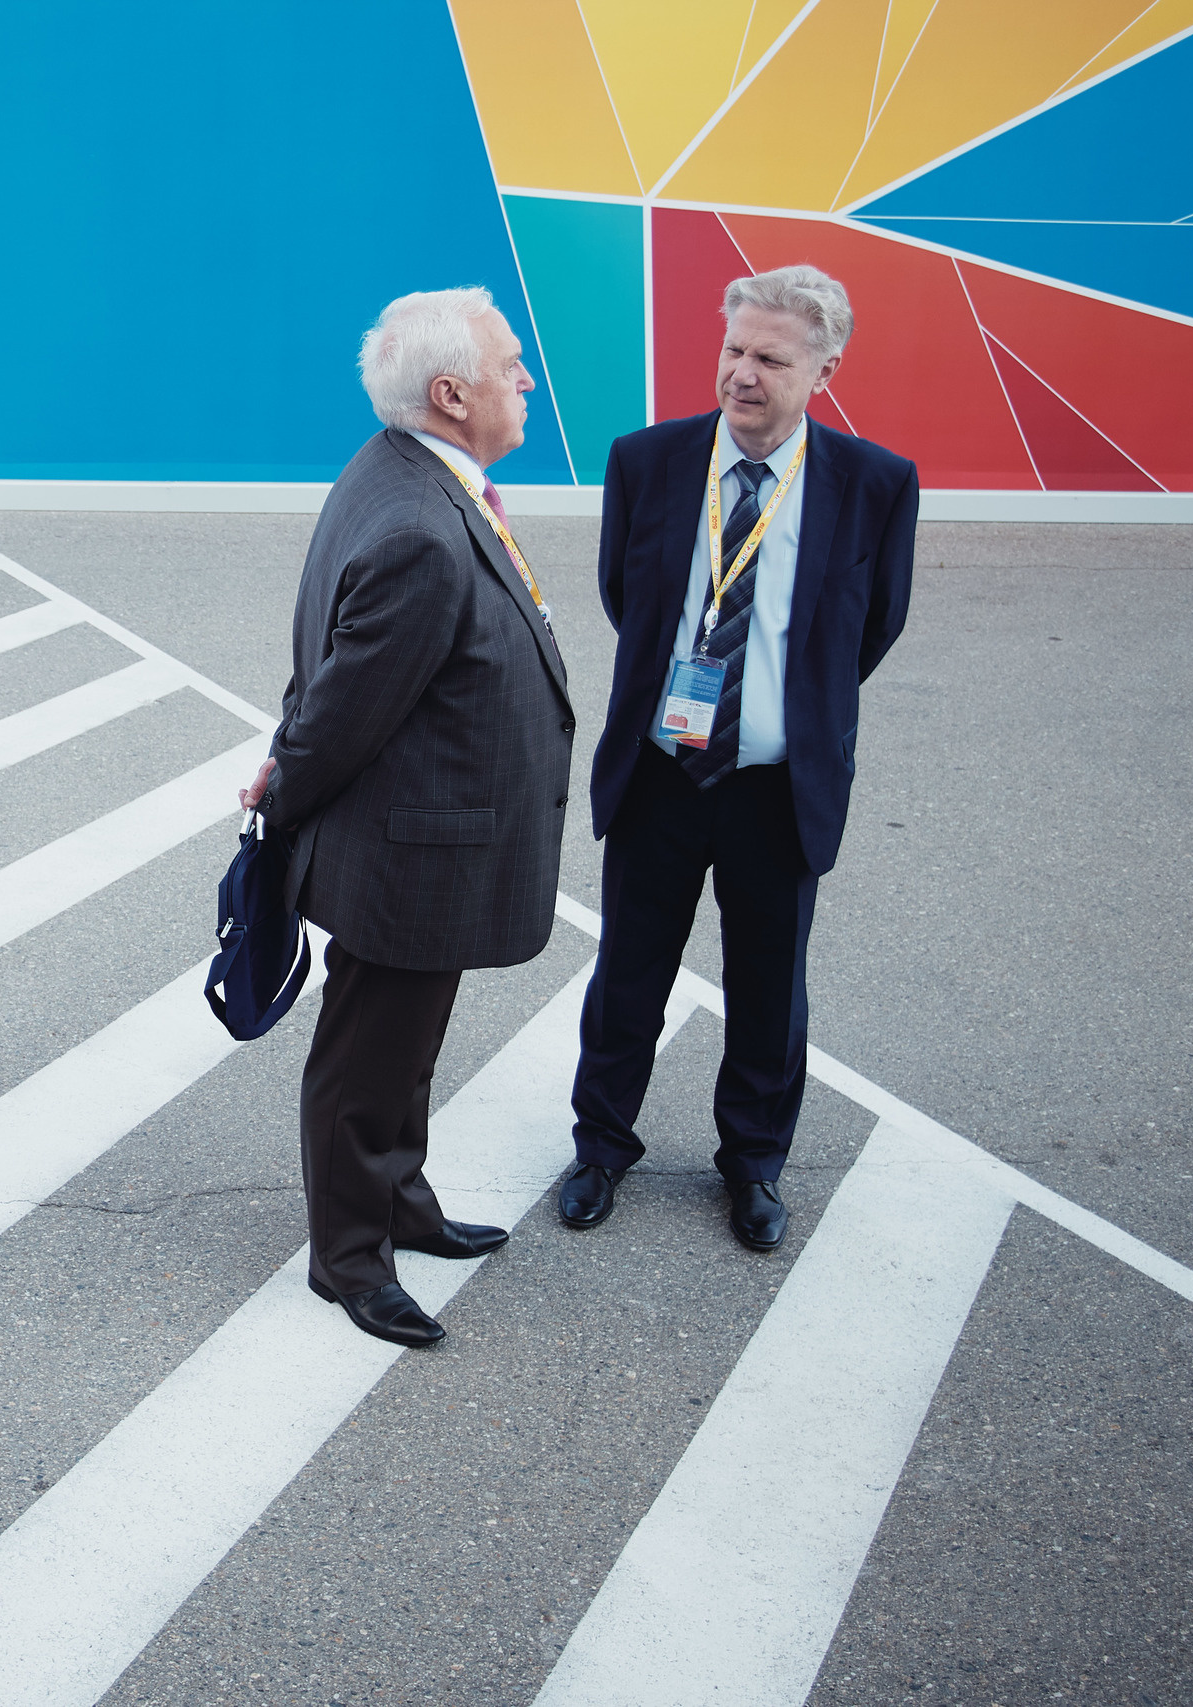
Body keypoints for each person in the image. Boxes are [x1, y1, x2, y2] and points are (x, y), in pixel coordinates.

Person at [239, 286, 577, 1347]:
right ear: (450, 393)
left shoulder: (402, 470)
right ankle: (347, 1260)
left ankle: (399, 1201)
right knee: (367, 1054)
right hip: (407, 854)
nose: (527, 380)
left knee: (407, 1045)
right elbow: (345, 708)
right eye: (510, 364)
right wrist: (279, 794)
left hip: (427, 843)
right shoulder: (422, 529)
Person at [559, 264, 917, 1251]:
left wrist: (777, 713)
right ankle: (600, 1148)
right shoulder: (646, 463)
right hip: (663, 775)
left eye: (769, 357)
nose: (741, 373)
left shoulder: (874, 486)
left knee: (768, 984)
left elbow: (871, 629)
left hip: (776, 788)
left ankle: (752, 1165)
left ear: (824, 370)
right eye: (731, 349)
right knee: (628, 972)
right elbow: (626, 600)